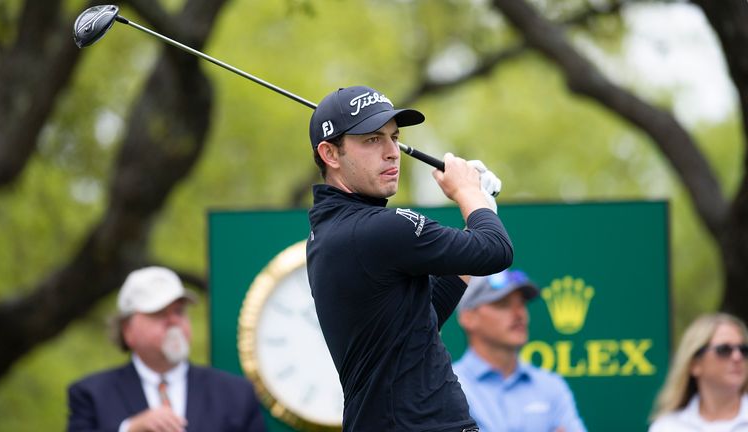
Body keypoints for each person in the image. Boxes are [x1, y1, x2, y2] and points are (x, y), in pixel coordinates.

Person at [306, 85, 514, 432]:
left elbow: (425, 314)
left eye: (394, 137)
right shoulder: (377, 228)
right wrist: (468, 193)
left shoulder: (330, 232)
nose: (391, 152)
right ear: (330, 153)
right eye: (372, 139)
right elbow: (495, 249)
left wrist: (480, 207)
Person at [67, 266, 266, 432]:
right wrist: (129, 429)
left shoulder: (236, 394)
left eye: (179, 311)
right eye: (158, 313)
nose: (173, 321)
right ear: (127, 330)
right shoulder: (91, 395)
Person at [452, 269, 587, 432]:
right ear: (468, 317)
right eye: (502, 304)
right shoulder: (448, 388)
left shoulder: (551, 386)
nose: (519, 314)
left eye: (522, 304)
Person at [648, 313, 748, 431]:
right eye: (724, 350)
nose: (737, 357)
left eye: (743, 350)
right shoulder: (667, 427)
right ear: (694, 364)